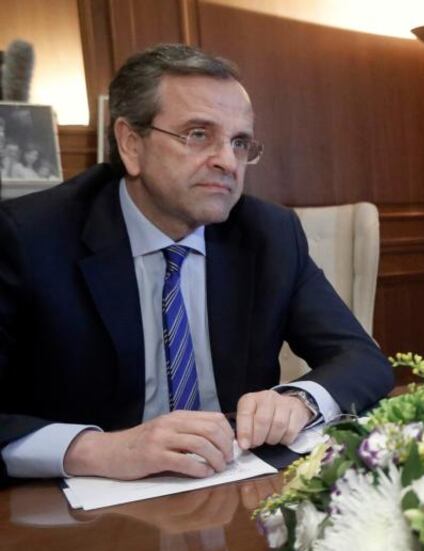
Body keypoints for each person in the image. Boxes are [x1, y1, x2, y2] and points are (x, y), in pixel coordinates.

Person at [0, 44, 394, 483]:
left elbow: (362, 358)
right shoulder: (30, 237)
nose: (227, 161)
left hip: (233, 492)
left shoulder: (269, 234)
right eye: (198, 134)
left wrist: (299, 400)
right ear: (131, 144)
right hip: (84, 514)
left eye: (239, 142)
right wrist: (98, 449)